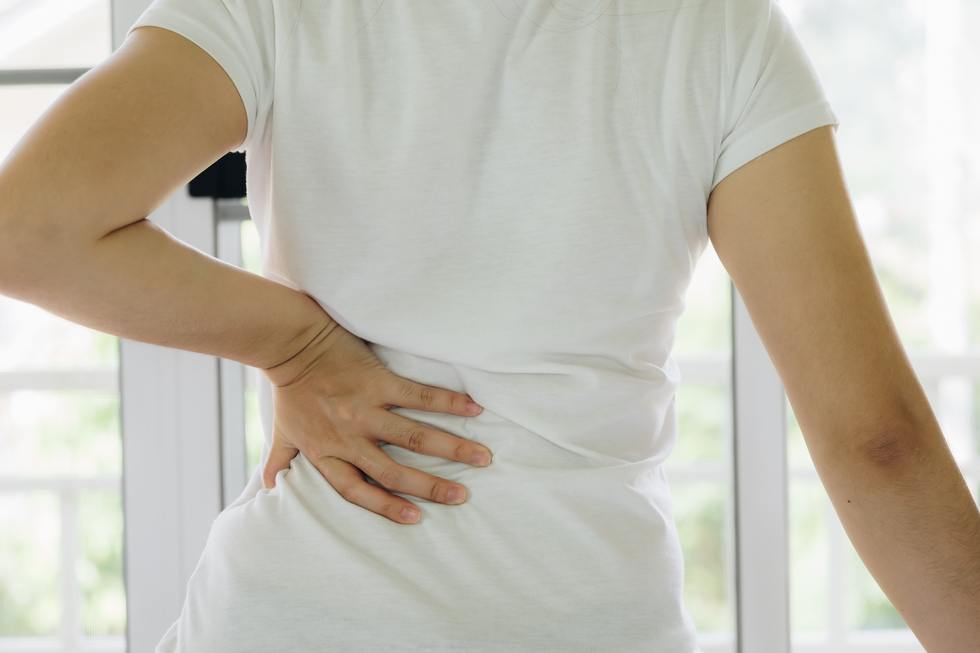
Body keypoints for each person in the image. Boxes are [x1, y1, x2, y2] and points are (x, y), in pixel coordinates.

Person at [0, 0, 978, 650]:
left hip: (298, 615)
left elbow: (30, 229)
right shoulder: (716, 29)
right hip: (586, 618)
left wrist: (291, 342)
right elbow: (875, 440)